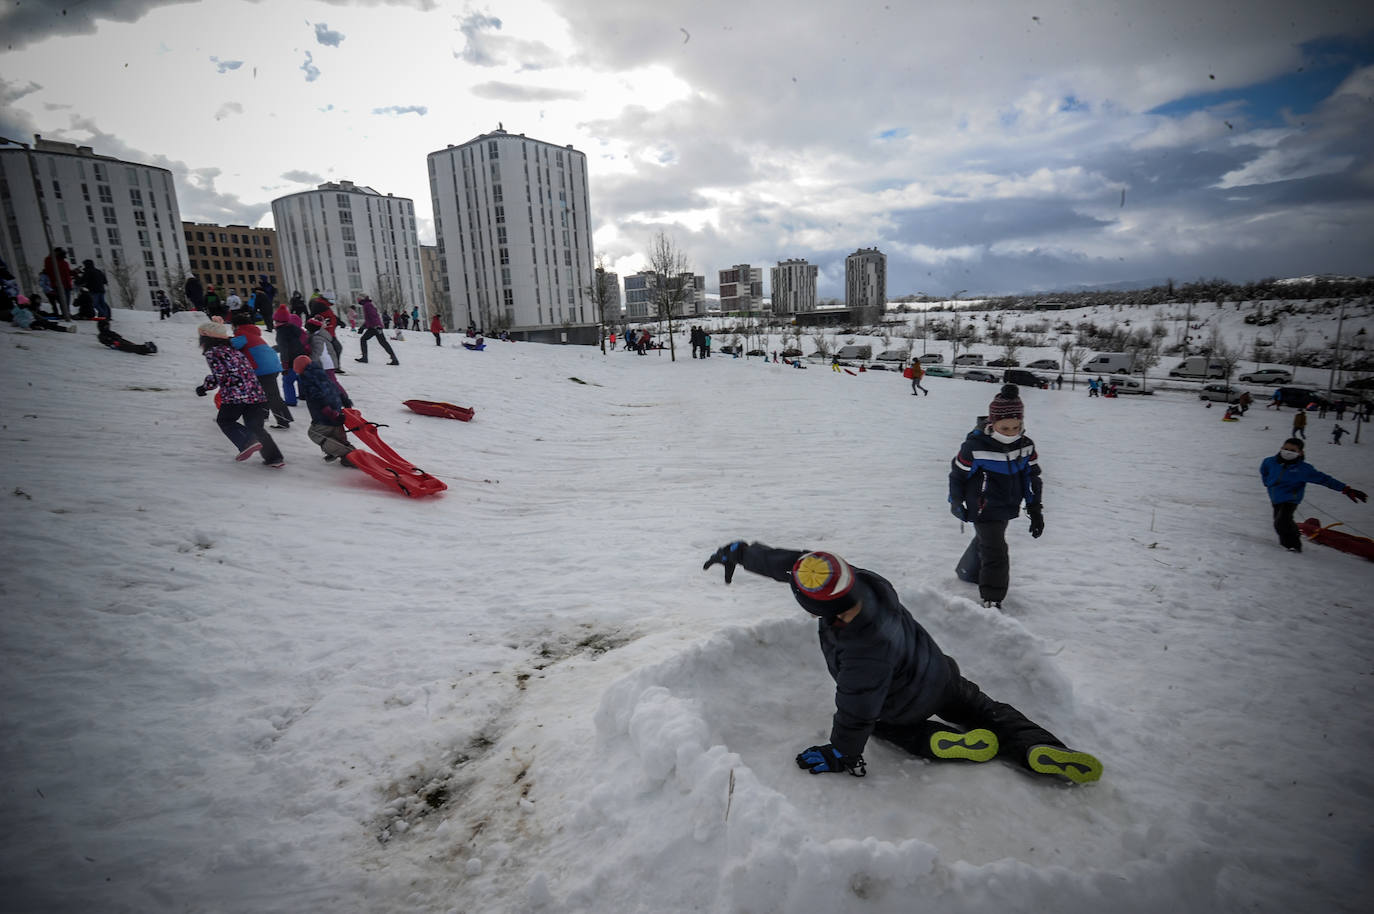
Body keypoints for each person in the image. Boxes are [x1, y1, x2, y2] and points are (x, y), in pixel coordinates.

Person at [701, 542, 1102, 783]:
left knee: (881, 725)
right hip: (939, 674)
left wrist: (842, 753)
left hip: (899, 705)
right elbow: (799, 564)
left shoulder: (861, 650)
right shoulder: (866, 584)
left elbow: (857, 709)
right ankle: (1039, 748)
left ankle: (934, 740)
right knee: (987, 710)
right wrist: (745, 554)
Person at [949, 384, 1043, 610]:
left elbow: (1031, 477)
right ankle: (992, 597)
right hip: (982, 507)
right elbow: (958, 475)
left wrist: (1035, 508)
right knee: (996, 550)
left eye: (1016, 427)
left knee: (988, 541)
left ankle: (968, 571)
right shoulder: (975, 447)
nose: (1011, 432)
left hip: (1008, 505)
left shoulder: (1025, 446)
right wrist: (956, 501)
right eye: (1005, 427)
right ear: (993, 423)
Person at [194, 320, 284, 468]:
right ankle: (274, 458)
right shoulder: (234, 350)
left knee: (225, 421)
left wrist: (204, 387)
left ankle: (247, 441)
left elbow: (220, 375)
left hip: (235, 395)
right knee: (255, 426)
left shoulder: (213, 352)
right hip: (255, 393)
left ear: (206, 337)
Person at [1260, 438, 1366, 552]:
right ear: (1281, 448)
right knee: (1282, 522)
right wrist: (1267, 482)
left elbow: (1324, 479)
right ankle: (1293, 537)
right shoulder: (1270, 462)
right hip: (1275, 498)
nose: (1288, 452)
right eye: (1285, 449)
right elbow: (1264, 471)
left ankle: (1293, 546)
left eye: (1292, 450)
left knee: (1281, 522)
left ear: (1300, 452)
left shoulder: (1303, 469)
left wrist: (1346, 489)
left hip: (1291, 499)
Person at [230, 311, 292, 428]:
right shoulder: (252, 333)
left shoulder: (241, 334)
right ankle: (264, 415)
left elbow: (231, 346)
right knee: (264, 393)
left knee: (271, 395)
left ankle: (283, 420)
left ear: (236, 325)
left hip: (263, 369)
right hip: (271, 366)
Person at [293, 355, 357, 465]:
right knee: (337, 436)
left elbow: (317, 398)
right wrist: (345, 401)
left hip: (325, 415)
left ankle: (348, 454)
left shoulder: (308, 379)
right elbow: (336, 388)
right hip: (336, 410)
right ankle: (353, 455)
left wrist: (330, 413)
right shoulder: (322, 374)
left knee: (315, 433)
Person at [355, 295, 400, 365]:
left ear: (362, 299)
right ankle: (394, 359)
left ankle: (365, 357)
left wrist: (376, 326)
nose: (358, 301)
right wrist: (363, 327)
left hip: (374, 327)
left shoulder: (367, 305)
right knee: (383, 342)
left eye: (358, 299)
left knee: (364, 339)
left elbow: (373, 316)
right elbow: (370, 318)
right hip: (375, 326)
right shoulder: (367, 304)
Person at [41, 247, 74, 319]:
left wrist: (74, 272)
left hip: (67, 285)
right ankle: (65, 315)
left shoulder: (64, 263)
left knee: (66, 301)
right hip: (58, 285)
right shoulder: (50, 260)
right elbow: (50, 270)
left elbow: (68, 272)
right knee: (62, 301)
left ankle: (67, 314)